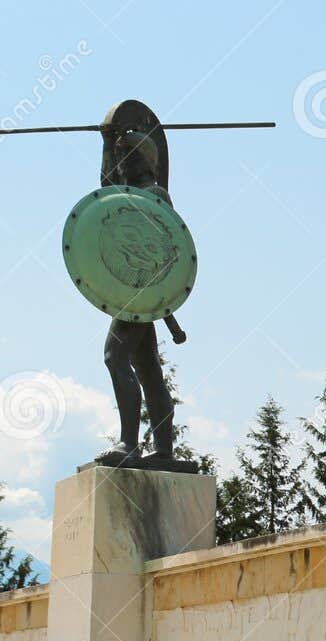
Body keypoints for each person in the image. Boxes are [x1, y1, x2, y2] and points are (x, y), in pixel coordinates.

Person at [95, 129, 186, 468]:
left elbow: (165, 247)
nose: (121, 164)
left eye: (127, 157)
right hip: (136, 293)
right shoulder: (130, 195)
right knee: (148, 371)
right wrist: (107, 144)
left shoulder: (154, 194)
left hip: (141, 293)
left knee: (114, 356)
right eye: (119, 158)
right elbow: (105, 192)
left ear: (144, 161)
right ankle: (164, 450)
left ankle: (129, 444)